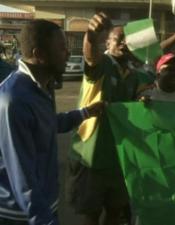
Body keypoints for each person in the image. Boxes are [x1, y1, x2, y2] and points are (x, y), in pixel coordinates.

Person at [0, 19, 103, 225]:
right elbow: (22, 175)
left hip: (44, 205)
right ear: (40, 55)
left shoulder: (42, 85)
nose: (68, 54)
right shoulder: (14, 99)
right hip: (21, 215)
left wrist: (84, 113)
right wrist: (45, 220)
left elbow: (46, 124)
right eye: (62, 48)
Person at [68, 12, 142, 225]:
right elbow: (91, 56)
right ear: (107, 43)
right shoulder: (103, 65)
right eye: (119, 39)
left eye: (128, 40)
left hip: (118, 158)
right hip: (90, 155)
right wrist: (91, 35)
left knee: (115, 211)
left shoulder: (133, 74)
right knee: (90, 215)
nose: (124, 43)